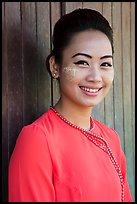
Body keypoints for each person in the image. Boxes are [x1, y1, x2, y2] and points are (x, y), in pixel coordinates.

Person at [8, 8, 132, 202]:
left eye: (105, 64)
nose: (95, 77)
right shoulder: (38, 140)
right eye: (82, 62)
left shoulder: (111, 139)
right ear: (55, 66)